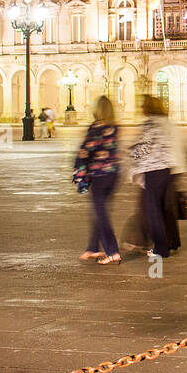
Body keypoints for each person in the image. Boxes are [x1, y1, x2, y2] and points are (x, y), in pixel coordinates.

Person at [127, 96, 176, 259]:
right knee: (159, 209)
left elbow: (145, 146)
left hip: (153, 169)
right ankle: (164, 245)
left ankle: (161, 249)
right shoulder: (165, 123)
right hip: (167, 168)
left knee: (152, 211)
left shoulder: (150, 123)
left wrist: (131, 151)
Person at [74, 95, 121, 266]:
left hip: (99, 175)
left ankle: (112, 251)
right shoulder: (114, 127)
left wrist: (79, 172)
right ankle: (93, 247)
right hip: (114, 174)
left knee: (100, 213)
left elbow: (85, 151)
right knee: (99, 210)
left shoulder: (96, 127)